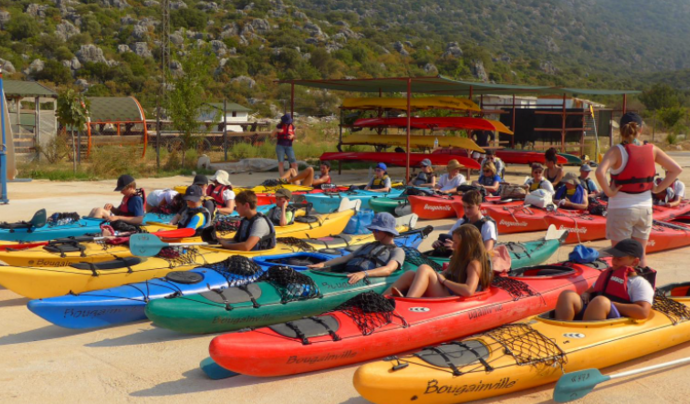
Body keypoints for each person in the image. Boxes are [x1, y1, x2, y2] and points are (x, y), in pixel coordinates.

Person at [596, 112, 682, 267]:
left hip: (621, 208)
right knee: (640, 256)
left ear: (620, 130)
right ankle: (642, 286)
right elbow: (676, 169)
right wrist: (657, 189)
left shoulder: (616, 151)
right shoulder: (652, 149)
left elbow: (599, 172)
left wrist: (609, 192)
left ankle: (621, 288)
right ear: (641, 129)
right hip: (644, 209)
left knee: (620, 258)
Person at [554, 239, 653, 321]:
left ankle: (587, 336)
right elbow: (591, 290)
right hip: (595, 311)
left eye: (619, 259)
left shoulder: (639, 283)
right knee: (567, 295)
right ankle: (562, 330)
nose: (614, 262)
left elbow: (643, 312)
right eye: (613, 257)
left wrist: (611, 304)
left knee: (600, 302)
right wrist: (586, 293)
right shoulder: (608, 274)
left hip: (613, 318)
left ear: (635, 261)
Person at [387, 224, 493, 298]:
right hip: (447, 290)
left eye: (456, 243)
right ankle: (382, 299)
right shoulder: (458, 257)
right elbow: (445, 273)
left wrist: (444, 281)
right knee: (410, 274)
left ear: (466, 245)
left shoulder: (474, 264)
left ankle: (409, 303)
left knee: (425, 268)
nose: (453, 245)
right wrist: (440, 276)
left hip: (452, 296)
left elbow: (468, 291)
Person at [307, 212, 405, 285]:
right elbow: (345, 258)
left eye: (376, 230)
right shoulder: (368, 245)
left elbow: (388, 270)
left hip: (362, 278)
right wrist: (323, 264)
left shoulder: (397, 251)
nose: (373, 233)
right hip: (345, 274)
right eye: (372, 230)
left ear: (387, 231)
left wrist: (364, 273)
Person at [432, 190, 497, 252]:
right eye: (464, 207)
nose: (466, 211)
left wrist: (459, 250)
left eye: (470, 207)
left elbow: (487, 251)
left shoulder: (487, 225)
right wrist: (439, 244)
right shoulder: (461, 222)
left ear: (479, 206)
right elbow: (448, 239)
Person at [272, 113, 297, 178]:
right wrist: (277, 130)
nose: (286, 123)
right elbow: (272, 135)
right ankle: (282, 178)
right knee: (281, 162)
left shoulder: (292, 126)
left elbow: (295, 136)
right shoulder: (279, 126)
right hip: (280, 146)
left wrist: (292, 136)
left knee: (293, 162)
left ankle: (296, 178)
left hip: (289, 146)